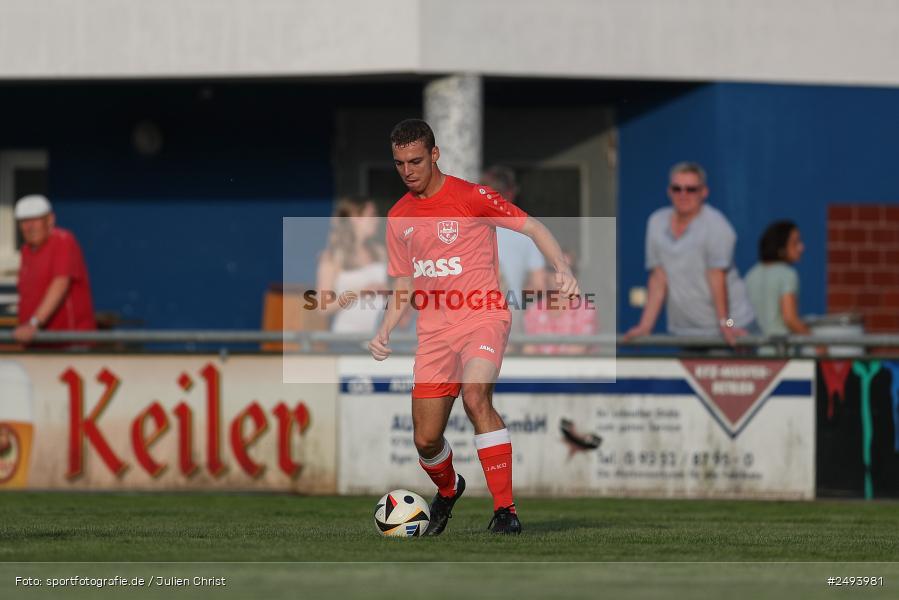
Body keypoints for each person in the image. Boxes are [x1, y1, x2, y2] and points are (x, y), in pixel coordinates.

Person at [368, 119, 579, 535]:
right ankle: (449, 489)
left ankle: (505, 511)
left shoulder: (470, 196)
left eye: (415, 161)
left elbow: (533, 227)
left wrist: (562, 268)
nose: (407, 170)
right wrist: (385, 329)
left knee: (475, 395)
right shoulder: (398, 216)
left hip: (484, 317)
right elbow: (404, 282)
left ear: (435, 155)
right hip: (434, 334)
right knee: (426, 440)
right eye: (399, 163)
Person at [624, 162, 755, 346]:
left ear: (704, 192)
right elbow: (658, 278)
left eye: (691, 189)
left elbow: (717, 276)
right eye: (677, 188)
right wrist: (645, 326)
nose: (683, 194)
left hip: (732, 325)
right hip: (687, 332)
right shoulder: (656, 222)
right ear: (669, 191)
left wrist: (725, 324)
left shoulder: (717, 225)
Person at [13, 194, 96, 345]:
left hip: (69, 344)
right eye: (24, 221)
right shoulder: (26, 250)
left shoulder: (63, 241)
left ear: (50, 219)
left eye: (35, 220)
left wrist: (33, 323)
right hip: (38, 344)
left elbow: (60, 284)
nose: (30, 227)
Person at [316, 197, 388, 341]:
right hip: (346, 339)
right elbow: (322, 307)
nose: (377, 220)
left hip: (377, 338)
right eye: (372, 215)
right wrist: (359, 292)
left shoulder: (380, 252)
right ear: (355, 218)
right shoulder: (332, 257)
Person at [523, 250, 597, 355]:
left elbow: (578, 351)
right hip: (541, 366)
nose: (560, 275)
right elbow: (529, 351)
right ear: (545, 273)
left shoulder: (585, 309)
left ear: (575, 274)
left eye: (567, 270)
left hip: (574, 366)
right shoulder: (534, 310)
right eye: (553, 269)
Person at [744, 221, 810, 336]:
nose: (801, 247)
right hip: (779, 344)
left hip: (753, 344)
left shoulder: (750, 274)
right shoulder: (787, 274)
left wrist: (728, 325)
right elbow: (790, 319)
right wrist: (816, 341)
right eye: (795, 243)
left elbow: (733, 319)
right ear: (781, 247)